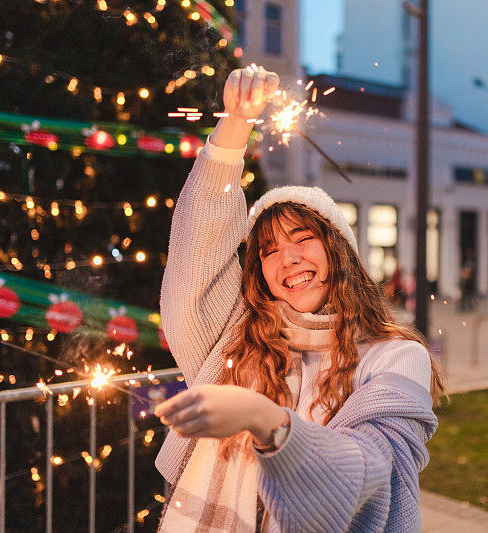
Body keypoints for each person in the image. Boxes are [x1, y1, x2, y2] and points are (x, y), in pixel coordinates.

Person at [153, 65, 445, 532]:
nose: (286, 260)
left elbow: (373, 468)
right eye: (268, 251)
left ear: (339, 251)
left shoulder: (396, 357)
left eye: (302, 238)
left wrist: (264, 419)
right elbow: (196, 254)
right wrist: (235, 124)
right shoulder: (236, 340)